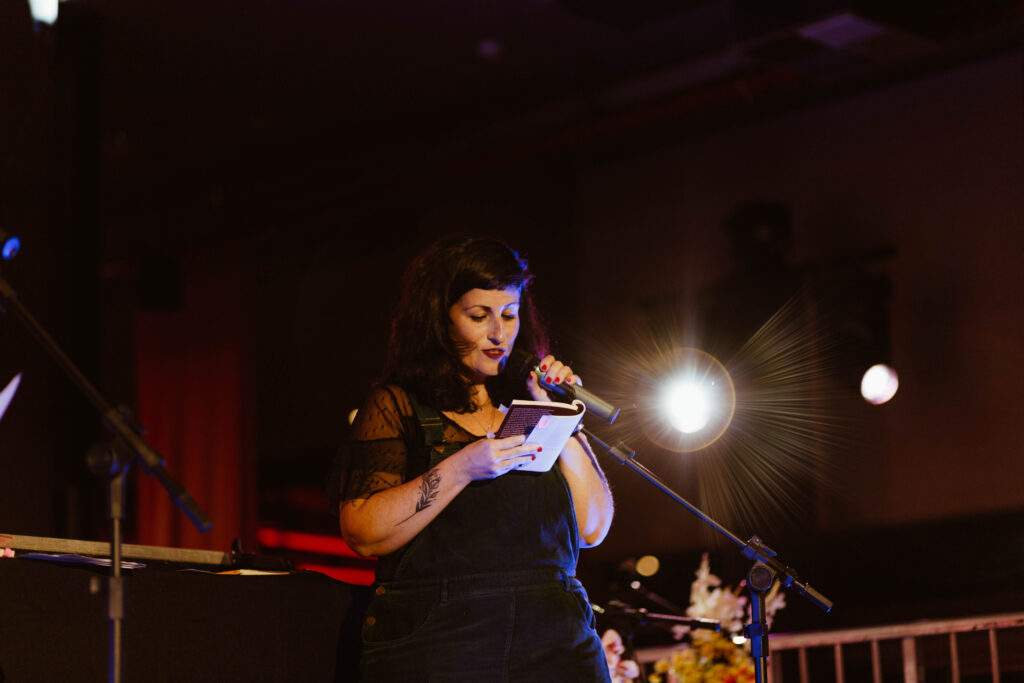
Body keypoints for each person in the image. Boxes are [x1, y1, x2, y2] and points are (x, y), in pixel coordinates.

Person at [334, 236, 614, 681]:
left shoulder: (529, 404)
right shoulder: (398, 404)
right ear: (440, 319)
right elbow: (362, 532)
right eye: (479, 316)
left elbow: (593, 528)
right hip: (443, 639)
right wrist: (462, 467)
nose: (498, 334)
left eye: (509, 314)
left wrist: (558, 412)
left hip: (556, 636)